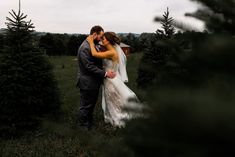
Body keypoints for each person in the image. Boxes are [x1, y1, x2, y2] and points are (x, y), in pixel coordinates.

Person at [87, 32, 141, 127]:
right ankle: (115, 118)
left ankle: (118, 120)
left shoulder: (111, 52)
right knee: (112, 99)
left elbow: (94, 54)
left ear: (108, 41)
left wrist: (90, 41)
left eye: (103, 39)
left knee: (113, 99)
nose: (101, 40)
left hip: (111, 80)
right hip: (111, 78)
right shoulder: (109, 50)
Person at [77, 26, 116, 129]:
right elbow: (89, 66)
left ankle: (88, 123)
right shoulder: (85, 47)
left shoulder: (93, 44)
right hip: (87, 82)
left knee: (91, 104)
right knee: (86, 105)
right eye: (101, 35)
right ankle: (83, 127)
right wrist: (105, 73)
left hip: (93, 81)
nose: (102, 38)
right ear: (95, 34)